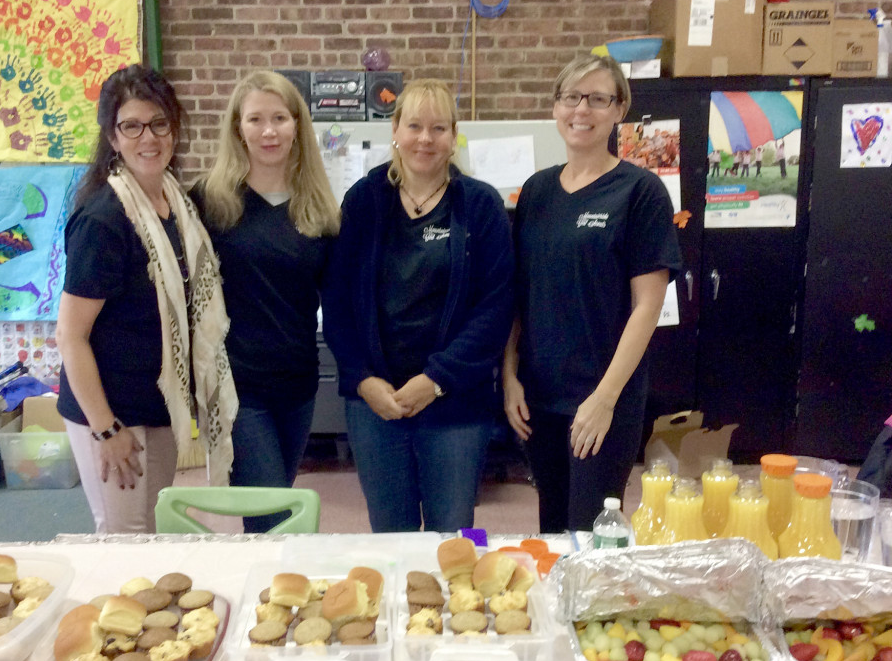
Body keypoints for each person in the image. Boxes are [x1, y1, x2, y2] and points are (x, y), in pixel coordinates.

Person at [323, 78, 514, 533]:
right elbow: (337, 300)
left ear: (453, 135)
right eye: (414, 126)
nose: (425, 139)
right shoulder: (365, 200)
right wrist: (364, 381)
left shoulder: (480, 206)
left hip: (455, 405)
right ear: (395, 129)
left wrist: (435, 381)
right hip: (377, 406)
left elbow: (495, 307)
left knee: (454, 537)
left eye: (438, 128)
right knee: (391, 538)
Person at [503, 54, 682, 534]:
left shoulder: (640, 192)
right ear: (556, 107)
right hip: (540, 396)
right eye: (571, 98)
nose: (581, 110)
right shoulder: (536, 191)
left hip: (604, 398)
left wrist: (604, 399)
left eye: (598, 99)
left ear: (619, 109)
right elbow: (520, 294)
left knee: (590, 531)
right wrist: (510, 376)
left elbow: (648, 306)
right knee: (552, 528)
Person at [56, 65, 237, 534]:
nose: (148, 138)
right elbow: (70, 337)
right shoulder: (104, 221)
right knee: (126, 540)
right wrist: (106, 429)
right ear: (113, 139)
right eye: (131, 126)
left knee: (152, 531)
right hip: (113, 411)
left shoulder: (177, 205)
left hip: (158, 403)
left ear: (174, 128)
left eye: (159, 123)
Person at [190, 71, 340, 533]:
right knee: (276, 517)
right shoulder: (208, 201)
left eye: (279, 118)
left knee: (273, 511)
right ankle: (275, 598)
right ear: (238, 128)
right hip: (238, 388)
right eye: (256, 119)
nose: (269, 131)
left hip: (297, 382)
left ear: (298, 125)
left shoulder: (319, 208)